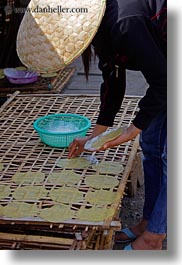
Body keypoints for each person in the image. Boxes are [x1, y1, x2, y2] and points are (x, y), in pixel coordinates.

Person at [68, 0, 167, 250]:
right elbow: (113, 84)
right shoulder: (103, 30)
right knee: (152, 145)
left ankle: (155, 237)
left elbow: (164, 83)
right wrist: (92, 139)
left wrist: (131, 130)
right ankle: (148, 222)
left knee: (170, 157)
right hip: (166, 70)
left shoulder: (126, 23)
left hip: (169, 74)